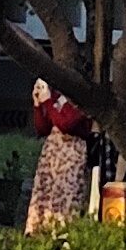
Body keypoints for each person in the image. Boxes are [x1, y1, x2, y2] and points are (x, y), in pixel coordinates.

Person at [25, 78, 94, 231]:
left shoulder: (80, 100)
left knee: (68, 192)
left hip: (71, 151)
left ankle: (63, 230)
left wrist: (48, 102)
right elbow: (43, 128)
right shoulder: (56, 97)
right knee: (46, 191)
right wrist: (38, 104)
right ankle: (39, 227)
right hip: (53, 151)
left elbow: (66, 123)